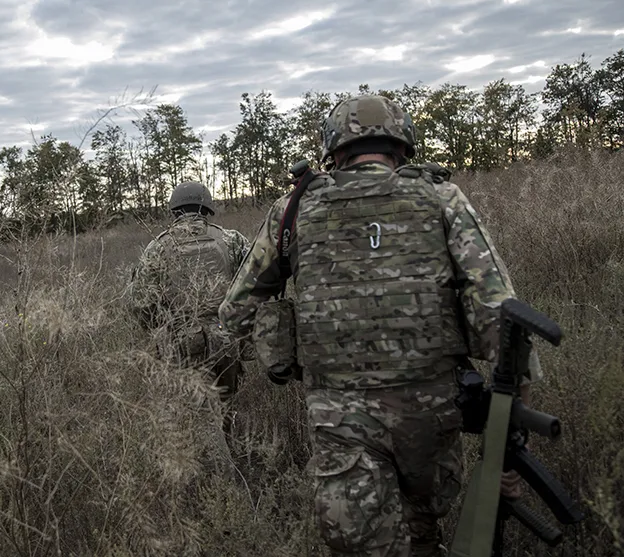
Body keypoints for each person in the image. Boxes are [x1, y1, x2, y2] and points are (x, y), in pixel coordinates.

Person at [218, 95, 543, 557]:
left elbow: (235, 312)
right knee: (424, 532)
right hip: (431, 410)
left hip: (338, 414)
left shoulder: (293, 209)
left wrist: (278, 340)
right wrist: (508, 443)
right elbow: (503, 318)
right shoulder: (441, 198)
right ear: (402, 145)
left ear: (334, 150)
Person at [127, 181, 252, 438]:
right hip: (226, 339)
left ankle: (215, 470)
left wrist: (162, 327)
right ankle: (230, 454)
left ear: (174, 211)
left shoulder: (158, 248)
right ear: (206, 208)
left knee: (197, 419)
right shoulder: (231, 239)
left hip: (182, 343)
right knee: (224, 410)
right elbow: (257, 281)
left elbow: (140, 304)